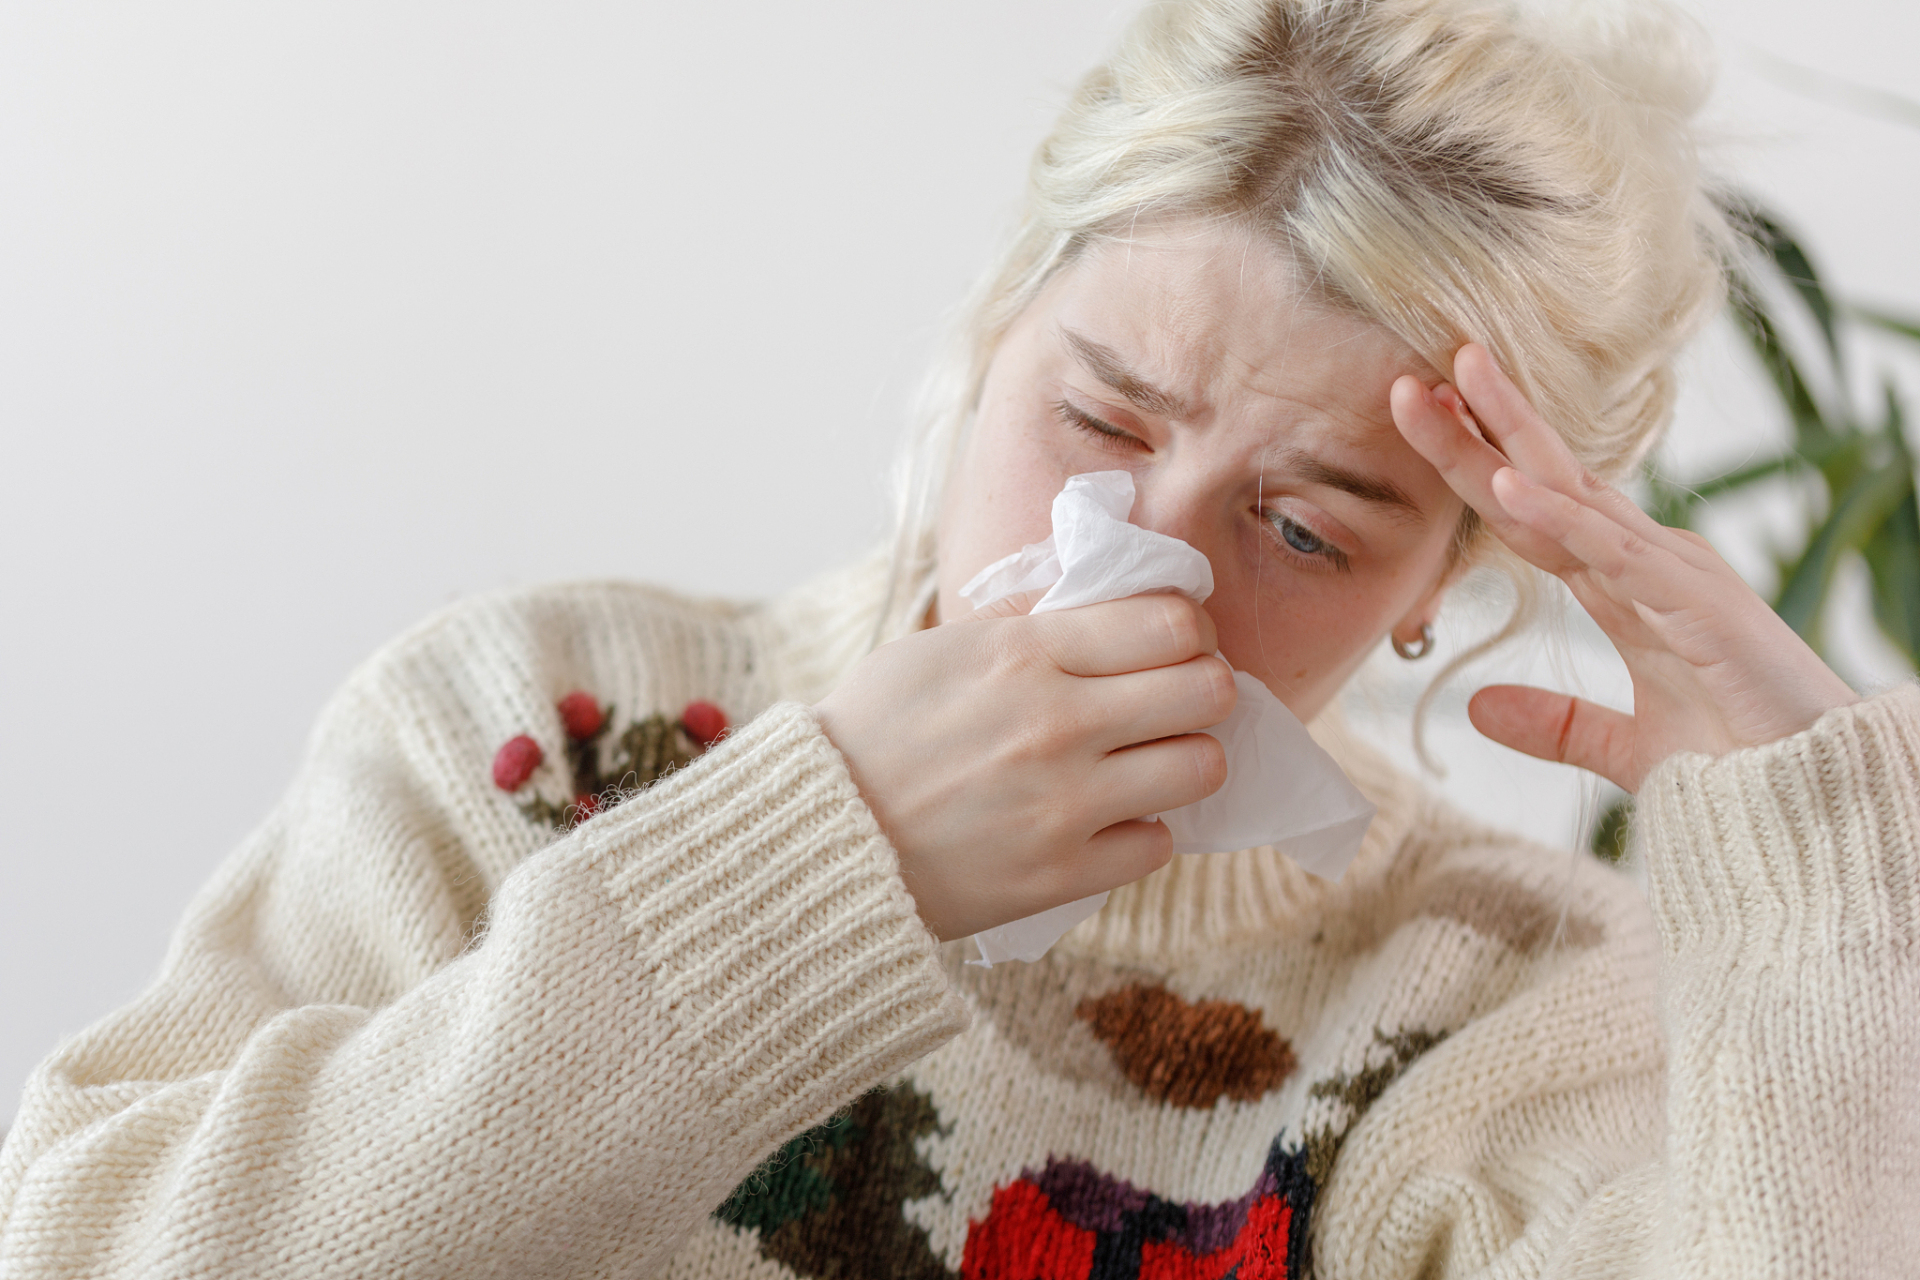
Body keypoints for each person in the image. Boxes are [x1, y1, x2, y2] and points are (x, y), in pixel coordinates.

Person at [2, 0, 1915, 1275]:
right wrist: (823, 859)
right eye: (1101, 422)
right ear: (996, 325)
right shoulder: (526, 735)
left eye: (1308, 527)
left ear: (1445, 584)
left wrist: (1814, 896)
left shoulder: (1489, 993)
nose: (1147, 563)